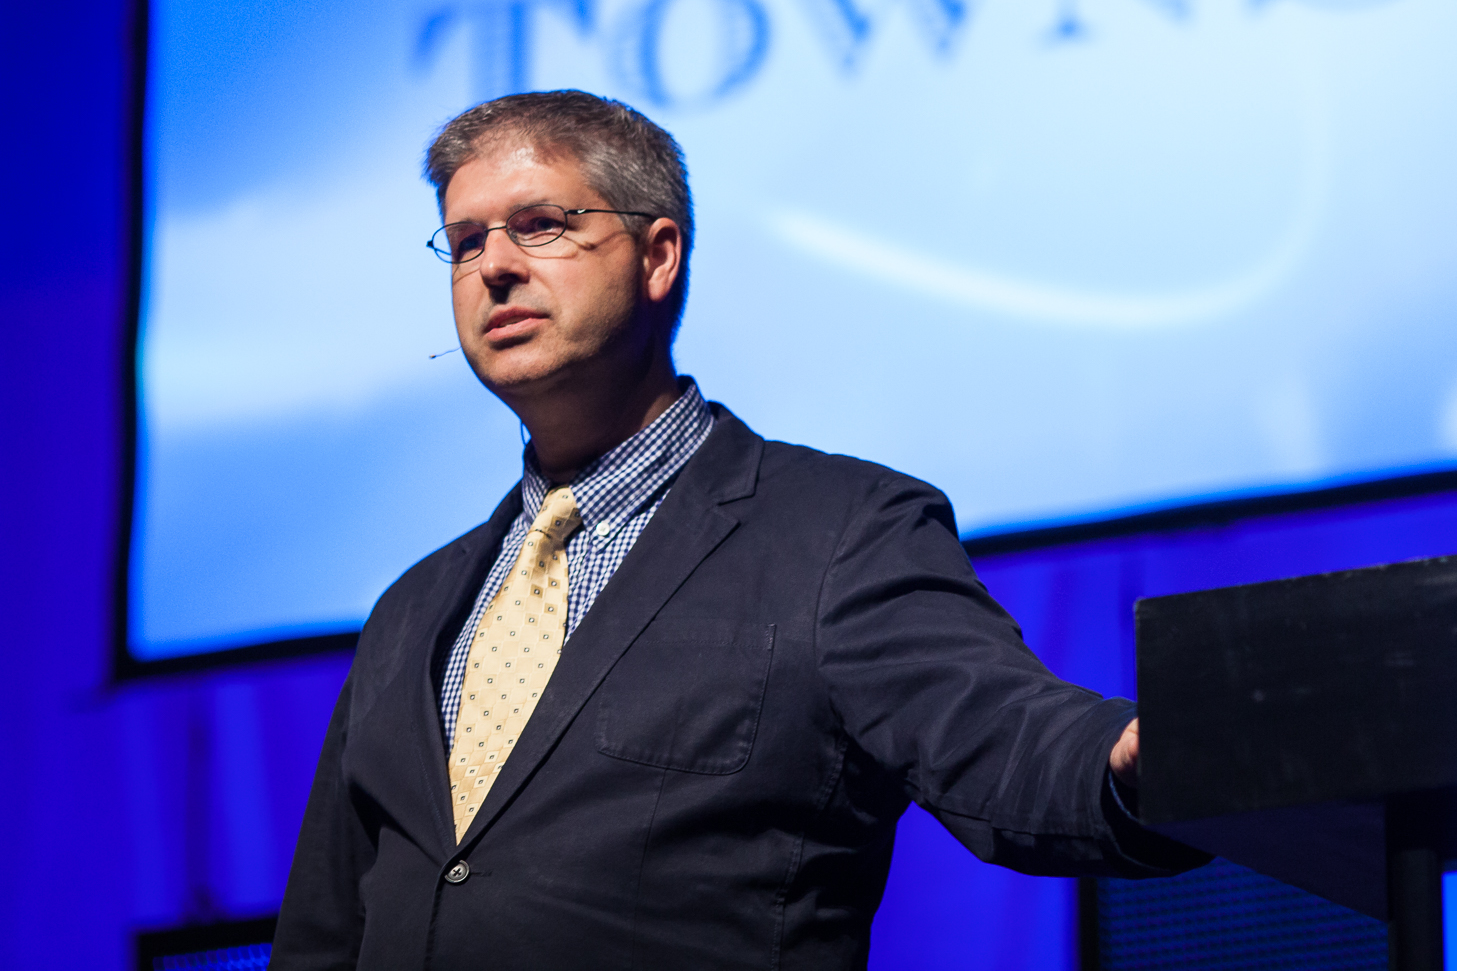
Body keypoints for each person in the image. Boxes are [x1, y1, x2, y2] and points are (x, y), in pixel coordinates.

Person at [271, 89, 1203, 970]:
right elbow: (324, 932)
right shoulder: (414, 608)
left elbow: (996, 733)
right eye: (466, 241)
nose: (494, 267)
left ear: (658, 255)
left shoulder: (838, 532)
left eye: (543, 224)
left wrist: (1135, 761)